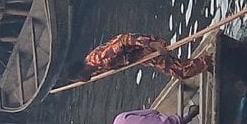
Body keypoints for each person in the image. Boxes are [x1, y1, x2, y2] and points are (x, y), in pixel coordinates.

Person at [82, 32, 212, 81]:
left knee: (181, 71)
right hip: (139, 58)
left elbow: (124, 39)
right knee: (178, 68)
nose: (81, 80)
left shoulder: (99, 58)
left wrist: (152, 44)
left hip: (144, 49)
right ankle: (205, 63)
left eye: (79, 78)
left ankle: (210, 61)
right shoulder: (90, 72)